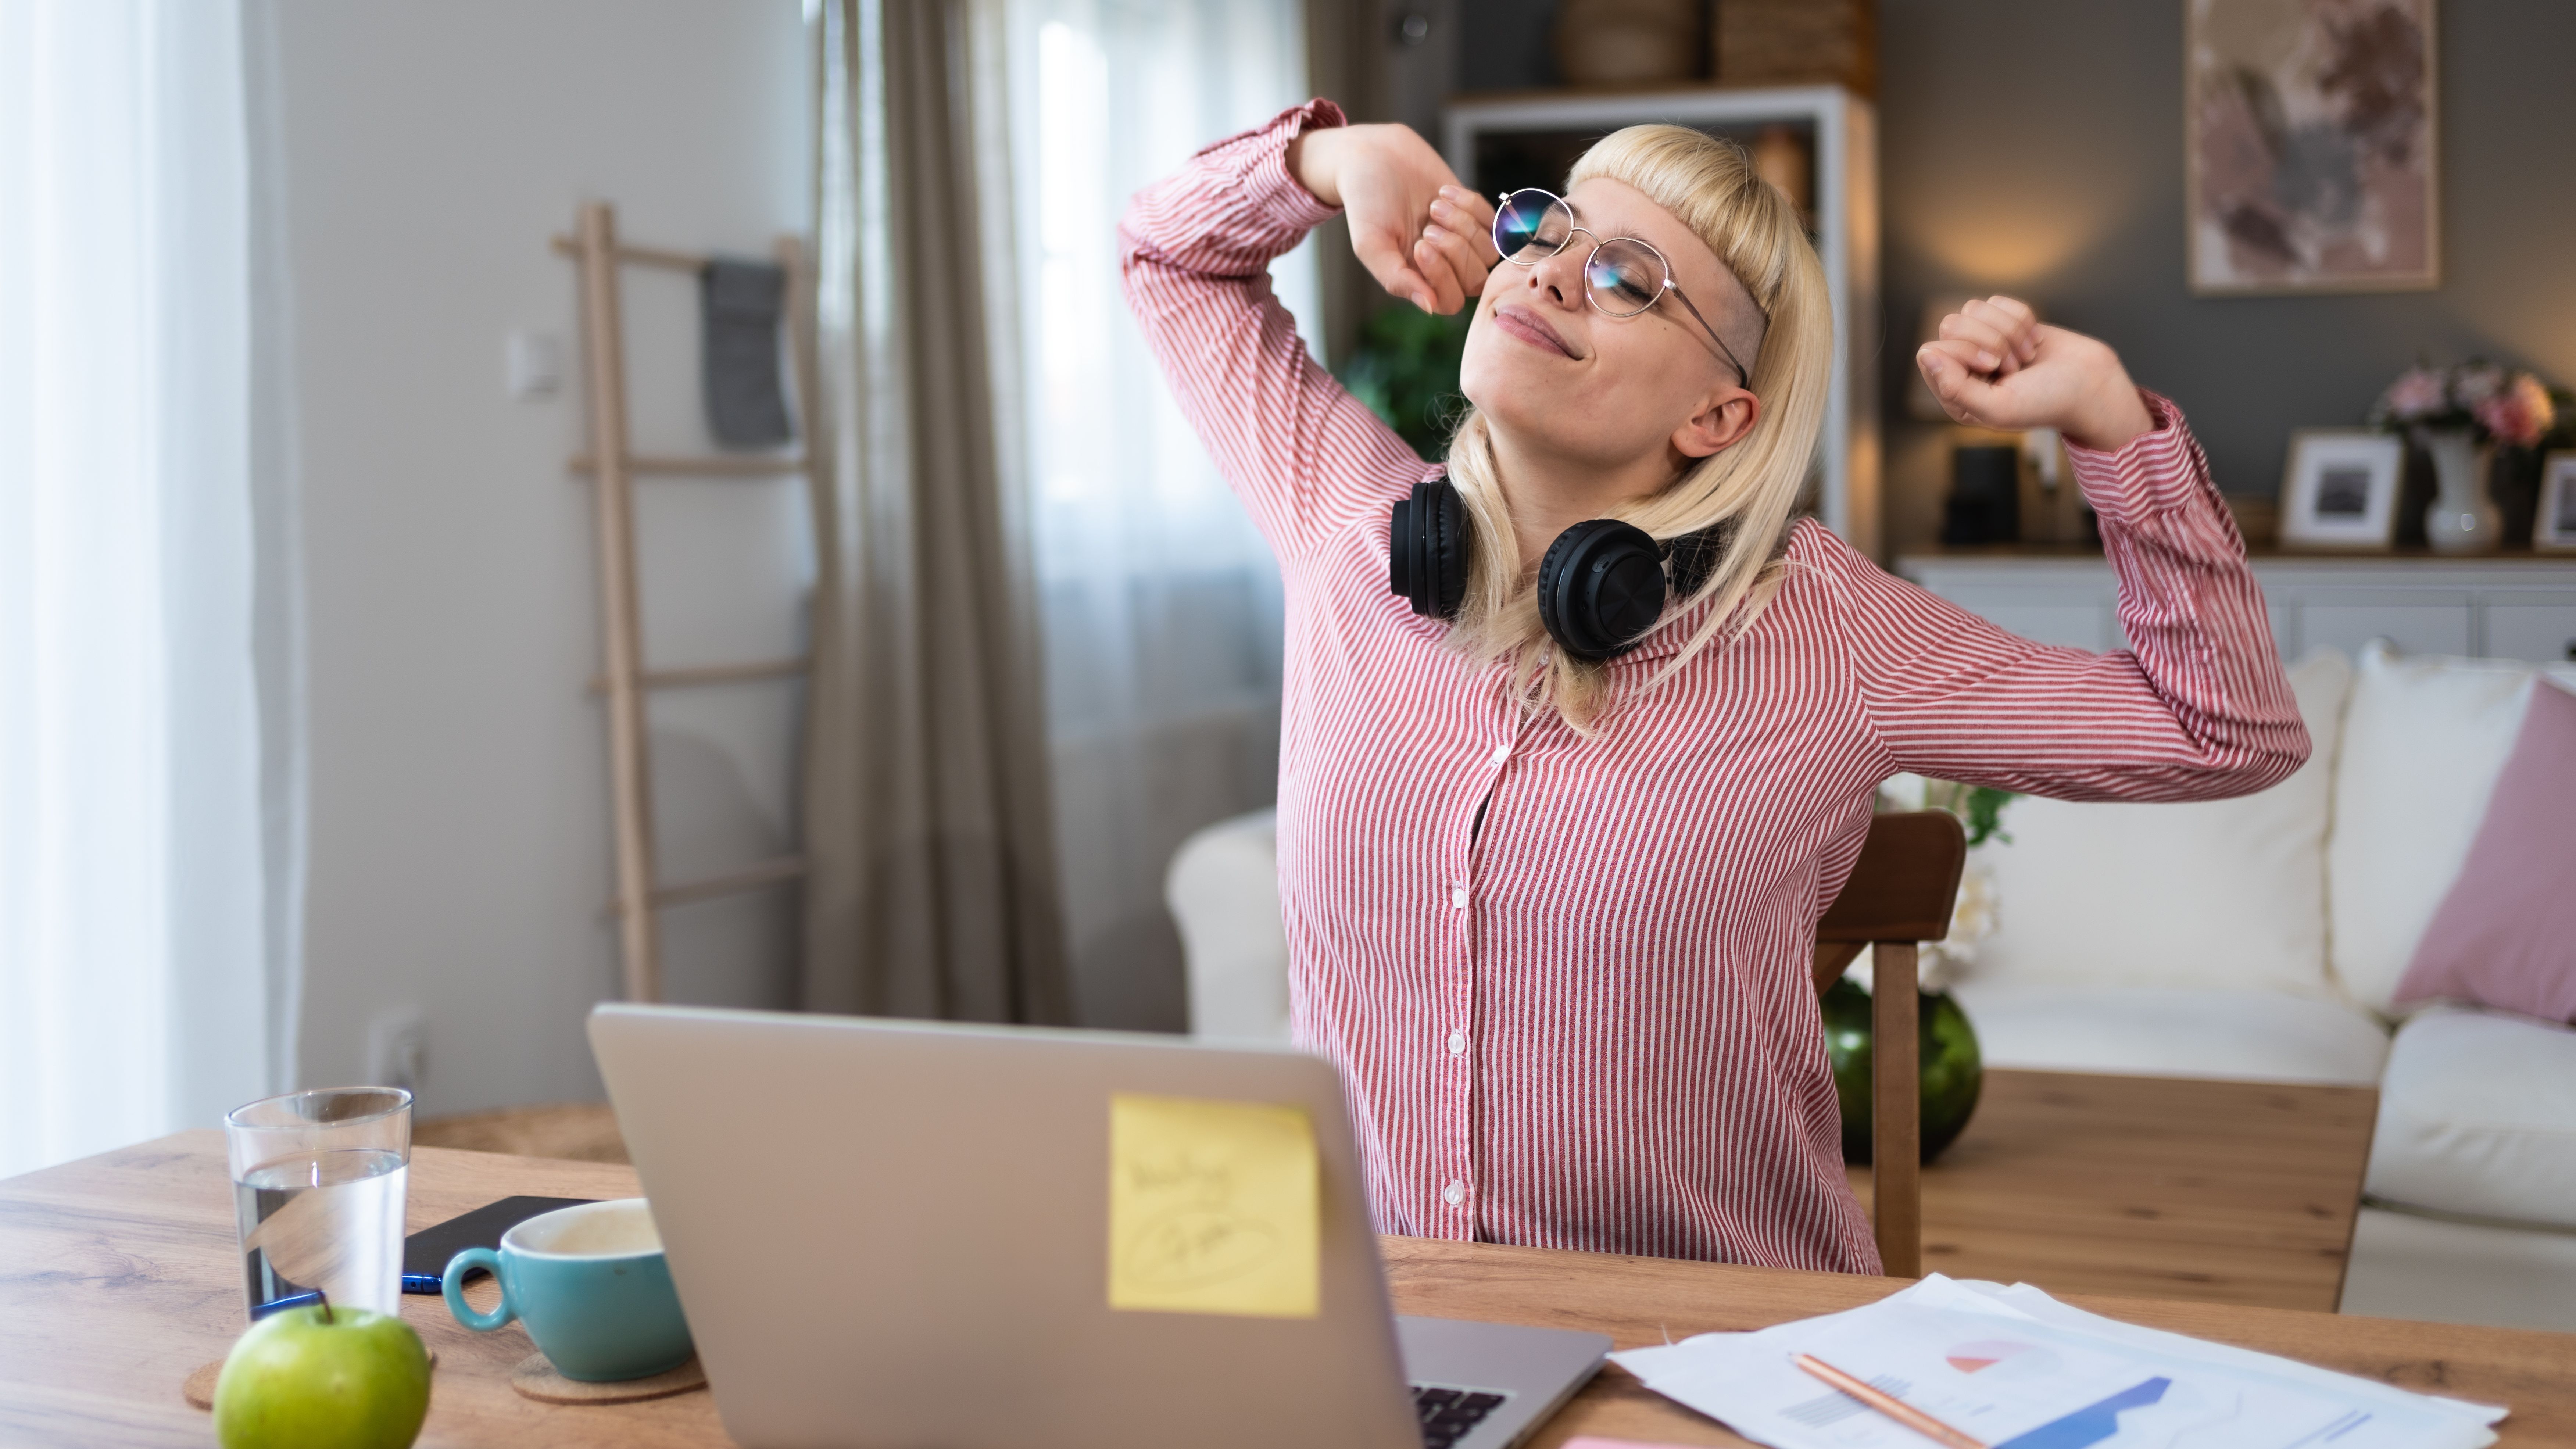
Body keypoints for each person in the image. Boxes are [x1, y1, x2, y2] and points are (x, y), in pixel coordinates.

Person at [1120, 100, 2307, 1274]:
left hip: (1716, 1360)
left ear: (1719, 414)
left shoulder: (1822, 631)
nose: (1552, 273)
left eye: (1630, 279)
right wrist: (1330, 160)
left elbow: (2226, 730)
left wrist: (2108, 421)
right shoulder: (1346, 526)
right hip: (1388, 1339)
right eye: (1549, 231)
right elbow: (1166, 256)